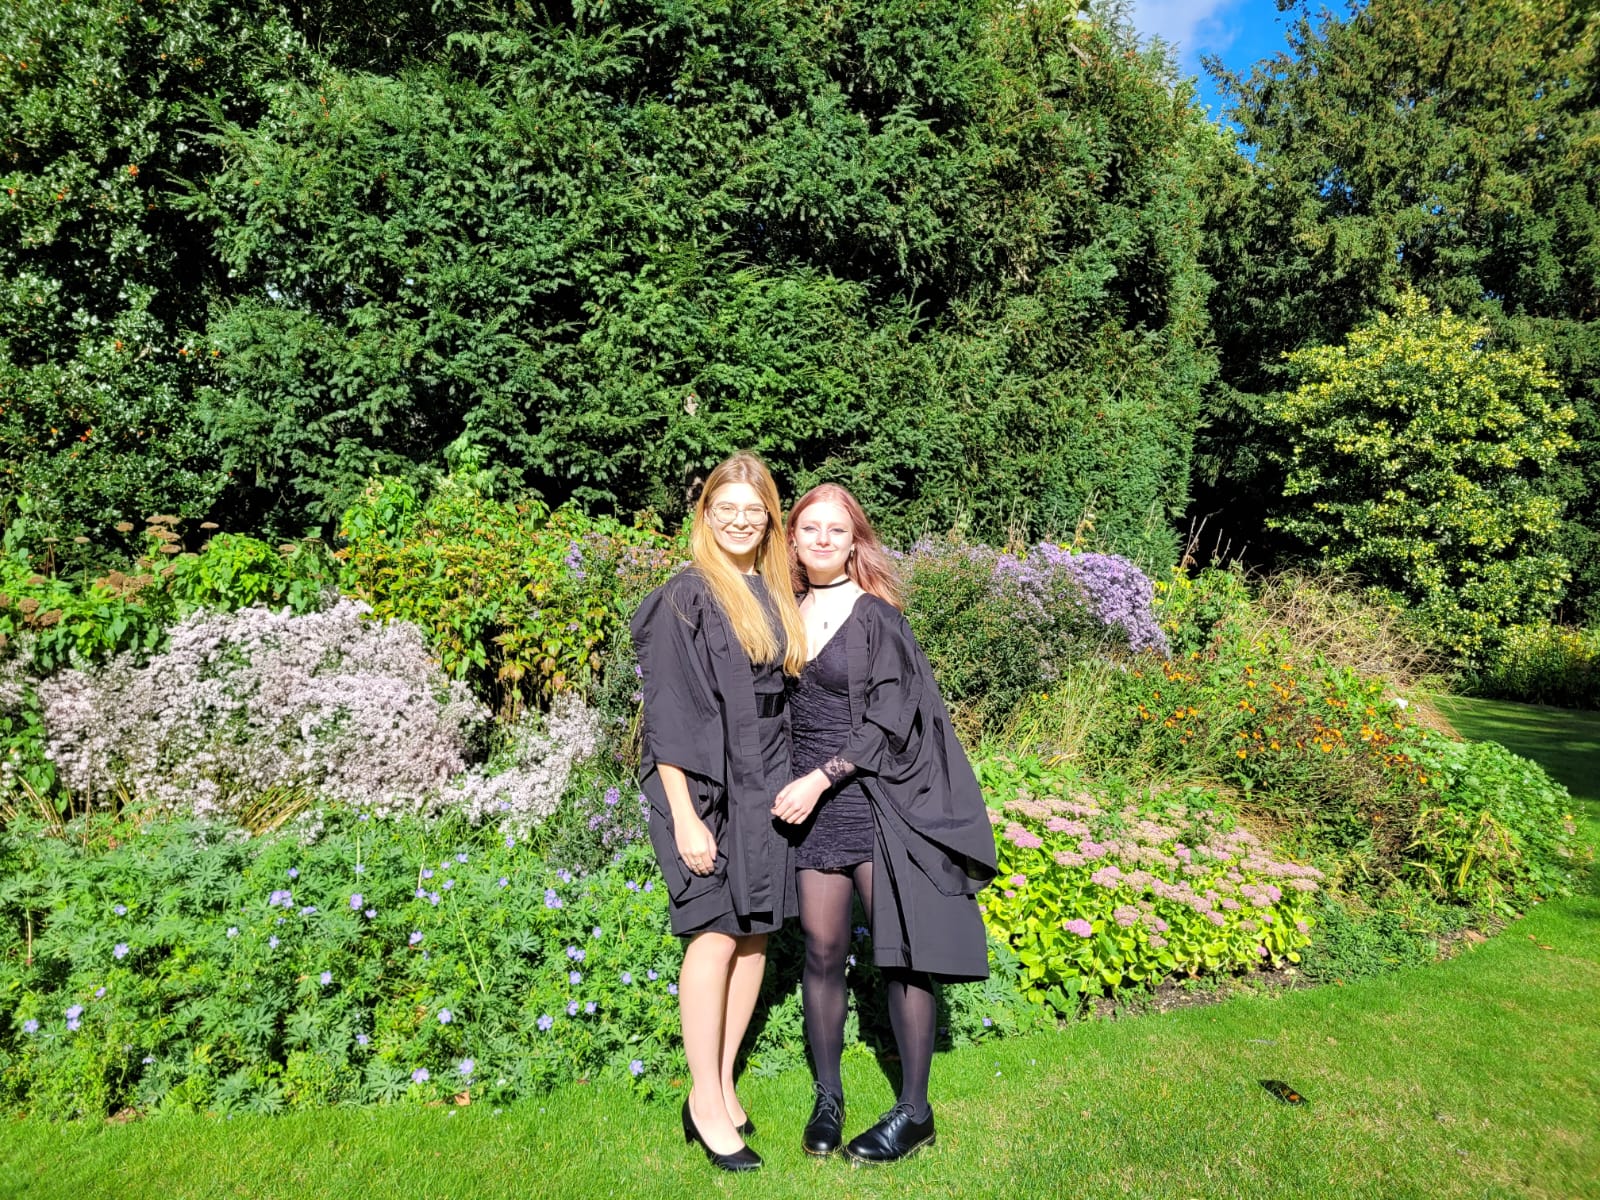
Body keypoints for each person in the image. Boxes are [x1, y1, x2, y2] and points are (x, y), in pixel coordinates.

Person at [771, 484, 998, 1164]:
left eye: (834, 530)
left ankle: (914, 1111)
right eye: (808, 527)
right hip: (811, 814)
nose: (820, 539)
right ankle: (829, 1097)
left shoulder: (877, 620)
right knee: (820, 952)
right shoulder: (782, 615)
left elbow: (889, 722)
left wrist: (816, 780)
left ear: (854, 542)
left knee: (901, 956)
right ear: (793, 539)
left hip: (874, 803)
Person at [629, 452, 807, 1173]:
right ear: (705, 515)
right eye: (724, 508)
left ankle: (722, 1080)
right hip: (701, 787)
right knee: (711, 935)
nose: (739, 520)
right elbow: (667, 717)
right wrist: (685, 817)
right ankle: (704, 1102)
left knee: (755, 935)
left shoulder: (768, 591)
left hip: (764, 780)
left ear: (770, 518)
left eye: (753, 509)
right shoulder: (686, 596)